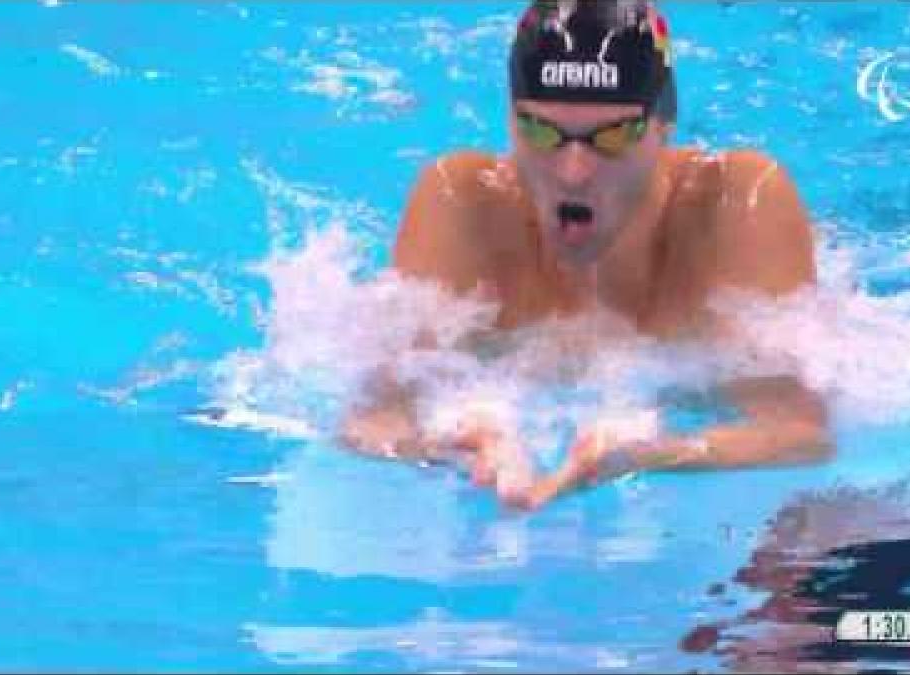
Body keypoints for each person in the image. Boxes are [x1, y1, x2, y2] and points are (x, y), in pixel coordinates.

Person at [342, 0, 833, 509]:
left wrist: (656, 456)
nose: (573, 171)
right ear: (510, 121)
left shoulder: (737, 203)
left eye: (613, 136)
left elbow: (797, 430)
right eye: (541, 131)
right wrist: (447, 447)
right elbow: (373, 420)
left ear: (663, 126)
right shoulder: (461, 203)